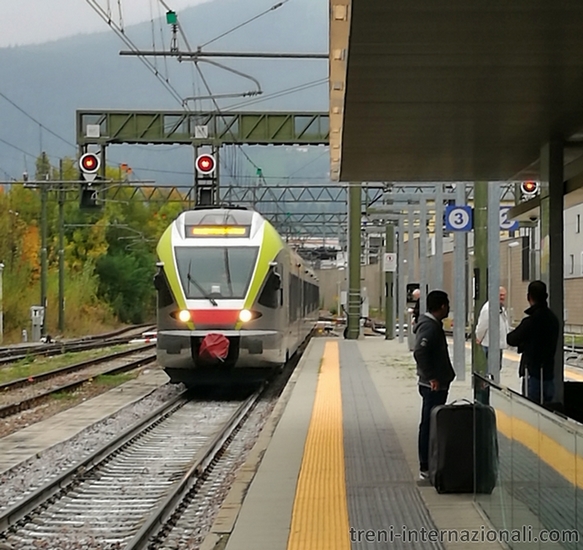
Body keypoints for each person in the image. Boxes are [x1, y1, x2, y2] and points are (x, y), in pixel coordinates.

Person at [413, 290, 456, 480]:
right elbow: (420, 352)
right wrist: (431, 377)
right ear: (442, 306)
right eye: (447, 304)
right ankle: (426, 465)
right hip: (433, 385)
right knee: (430, 423)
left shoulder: (431, 325)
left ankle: (429, 463)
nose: (449, 308)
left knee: (431, 421)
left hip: (434, 383)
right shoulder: (430, 328)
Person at [506, 280, 559, 404]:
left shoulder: (531, 321)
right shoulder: (553, 319)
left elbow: (511, 339)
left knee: (531, 409)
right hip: (549, 374)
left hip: (533, 374)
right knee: (548, 409)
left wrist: (524, 343)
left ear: (529, 297)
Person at [475, 286, 510, 370]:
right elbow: (482, 326)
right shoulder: (488, 309)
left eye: (504, 295)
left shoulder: (501, 308)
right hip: (490, 344)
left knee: (496, 368)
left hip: (498, 344)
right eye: (500, 295)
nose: (503, 297)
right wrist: (479, 337)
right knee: (490, 369)